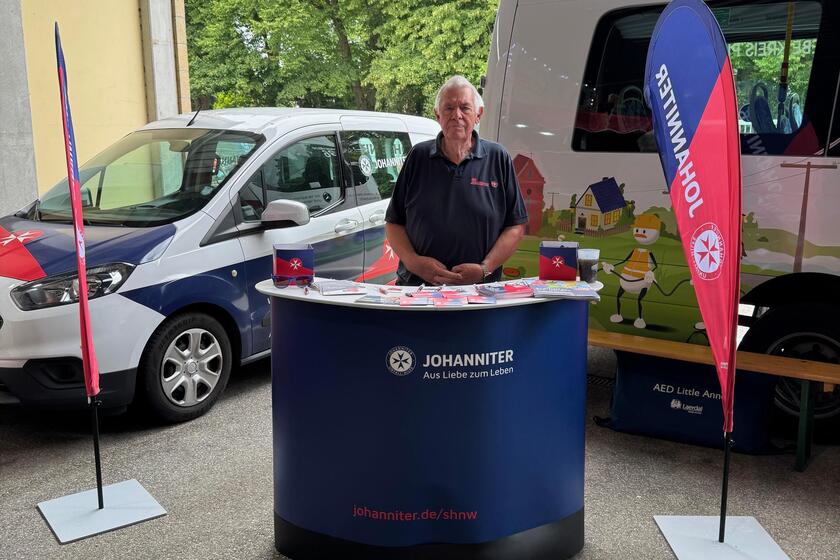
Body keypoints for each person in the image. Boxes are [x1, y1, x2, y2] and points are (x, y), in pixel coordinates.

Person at [385, 75, 528, 286]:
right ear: (437, 115)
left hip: (480, 293)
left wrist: (484, 269)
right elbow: (393, 223)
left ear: (478, 115)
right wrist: (414, 263)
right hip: (419, 290)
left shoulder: (498, 158)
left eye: (465, 107)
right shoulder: (418, 156)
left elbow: (516, 226)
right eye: (449, 108)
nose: (456, 115)